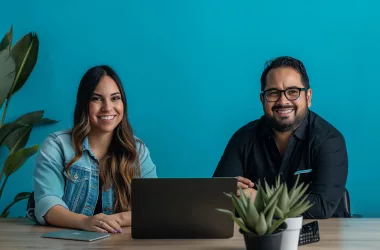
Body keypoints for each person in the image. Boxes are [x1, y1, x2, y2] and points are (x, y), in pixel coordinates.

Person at [213, 56, 348, 219]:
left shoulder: (329, 140)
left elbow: (321, 206)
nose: (283, 101)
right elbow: (218, 197)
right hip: (258, 236)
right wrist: (228, 190)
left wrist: (259, 200)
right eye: (273, 93)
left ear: (308, 97)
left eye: (293, 92)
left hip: (323, 237)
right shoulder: (243, 138)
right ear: (263, 99)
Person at [30, 65, 157, 233]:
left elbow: (154, 207)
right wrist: (85, 222)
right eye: (97, 98)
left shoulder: (137, 149)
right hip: (67, 243)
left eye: (115, 98)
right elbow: (47, 205)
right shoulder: (57, 146)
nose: (107, 107)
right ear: (84, 104)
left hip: (121, 243)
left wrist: (115, 219)